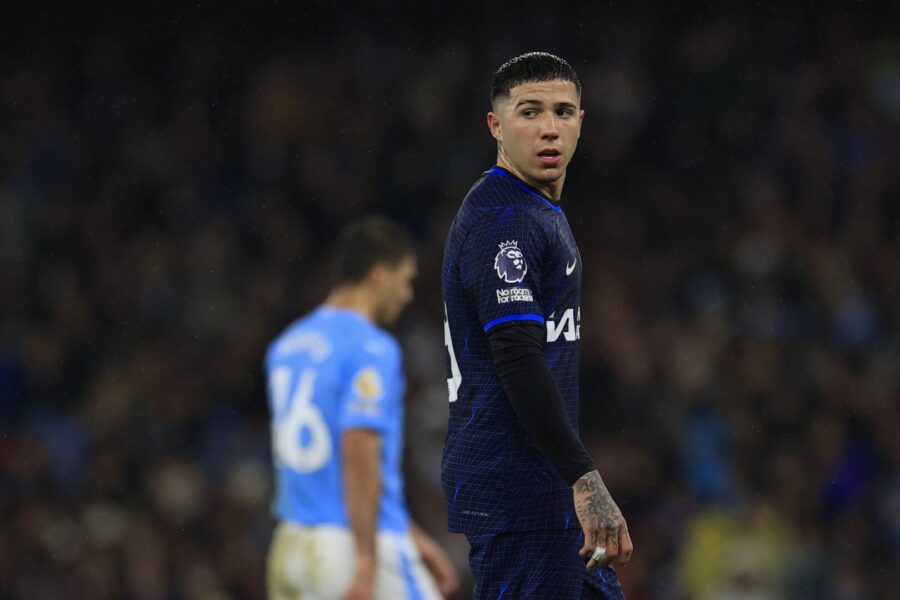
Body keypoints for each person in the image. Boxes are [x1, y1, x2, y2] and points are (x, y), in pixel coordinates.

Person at [441, 52, 634, 599]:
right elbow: (518, 358)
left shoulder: (531, 207)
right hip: (519, 492)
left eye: (562, 112)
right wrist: (584, 477)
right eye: (529, 112)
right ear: (496, 125)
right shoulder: (505, 221)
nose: (549, 128)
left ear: (581, 122)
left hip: (541, 487)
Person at [266, 216, 459, 600]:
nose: (407, 295)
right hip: (349, 543)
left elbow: (328, 470)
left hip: (291, 542)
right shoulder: (371, 348)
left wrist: (410, 533)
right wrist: (368, 558)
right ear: (379, 276)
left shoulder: (287, 346)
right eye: (405, 280)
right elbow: (358, 450)